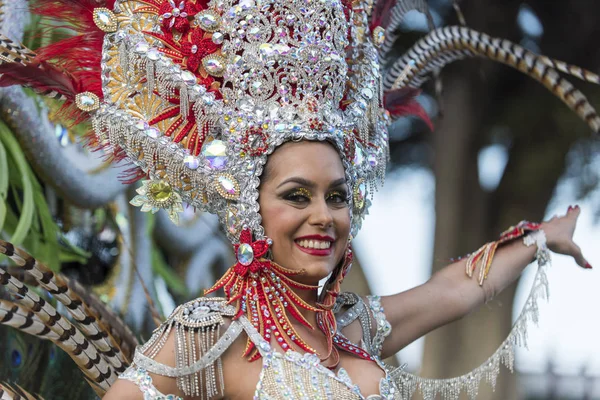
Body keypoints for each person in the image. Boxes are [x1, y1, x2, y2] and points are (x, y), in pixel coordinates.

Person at [0, 0, 597, 399]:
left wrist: (544, 236)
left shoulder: (353, 326)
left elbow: (457, 287)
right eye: (297, 195)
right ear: (251, 211)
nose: (323, 216)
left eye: (336, 196)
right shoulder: (216, 333)